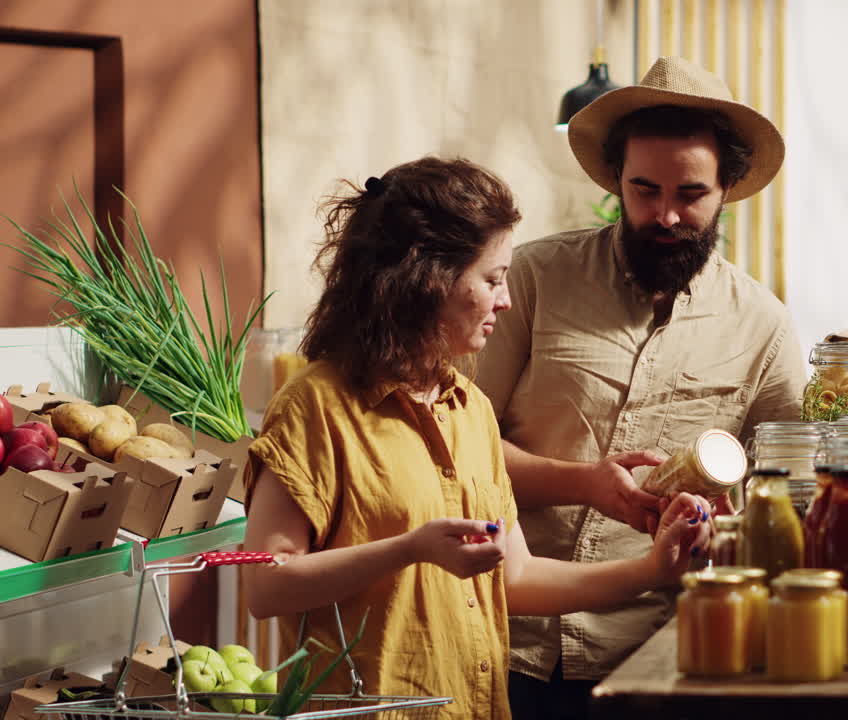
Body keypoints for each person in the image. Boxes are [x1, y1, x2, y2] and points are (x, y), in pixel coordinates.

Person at [240, 156, 713, 720]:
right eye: (492, 279)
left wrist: (652, 571)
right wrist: (410, 549)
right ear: (426, 280)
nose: (506, 300)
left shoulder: (470, 410)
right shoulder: (314, 406)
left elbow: (515, 577)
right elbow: (265, 585)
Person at [473, 56, 807, 719]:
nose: (665, 215)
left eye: (690, 194)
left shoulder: (763, 326)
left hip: (669, 647)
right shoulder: (532, 281)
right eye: (644, 190)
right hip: (518, 641)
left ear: (728, 187)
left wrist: (727, 525)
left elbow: (785, 498)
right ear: (617, 181)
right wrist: (583, 481)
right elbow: (458, 449)